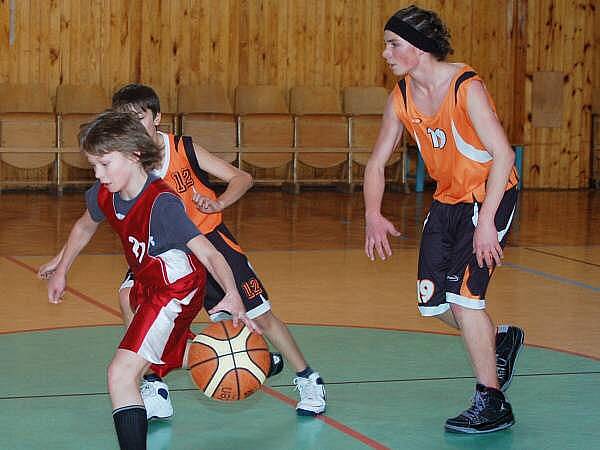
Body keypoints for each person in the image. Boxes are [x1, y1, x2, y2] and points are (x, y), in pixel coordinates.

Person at [40, 84, 326, 418]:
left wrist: (218, 202)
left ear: (157, 119)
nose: (132, 125)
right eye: (124, 119)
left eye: (140, 117)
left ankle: (307, 376)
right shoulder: (119, 163)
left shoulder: (182, 149)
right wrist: (62, 261)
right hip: (161, 251)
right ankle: (154, 383)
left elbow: (242, 178)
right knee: (129, 296)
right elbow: (91, 218)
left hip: (207, 242)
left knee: (259, 314)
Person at [43, 110, 259, 450]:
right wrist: (62, 269)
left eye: (104, 164)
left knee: (121, 373)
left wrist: (232, 293)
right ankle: (247, 357)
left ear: (135, 155)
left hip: (176, 288)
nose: (98, 175)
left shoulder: (162, 204)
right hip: (145, 283)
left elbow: (210, 254)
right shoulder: (107, 193)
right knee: (154, 342)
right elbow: (85, 225)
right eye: (93, 166)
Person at [363, 5, 524, 434]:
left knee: (467, 300)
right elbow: (377, 163)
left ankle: (492, 402)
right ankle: (500, 340)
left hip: (490, 196)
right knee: (434, 303)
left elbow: (503, 154)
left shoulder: (464, 87)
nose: (385, 53)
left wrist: (488, 221)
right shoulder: (400, 98)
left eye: (393, 44)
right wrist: (372, 214)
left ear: (419, 48)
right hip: (448, 201)